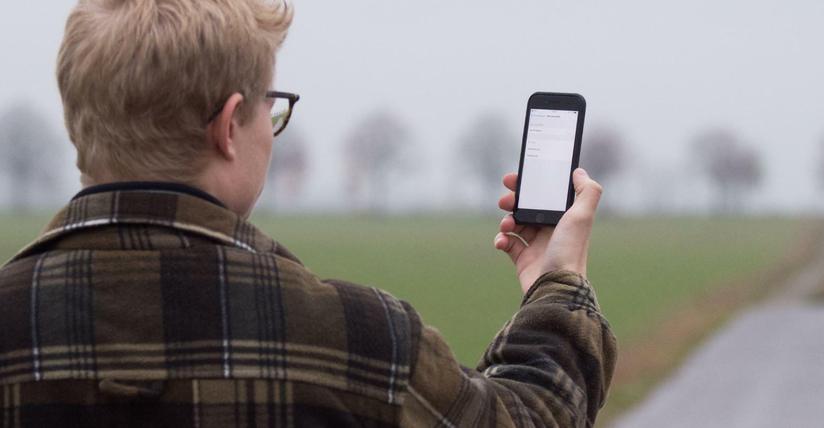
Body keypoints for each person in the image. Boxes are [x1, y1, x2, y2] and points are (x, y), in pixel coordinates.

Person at [0, 0, 616, 426]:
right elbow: (531, 418)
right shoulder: (362, 338)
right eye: (272, 106)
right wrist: (556, 283)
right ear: (228, 127)